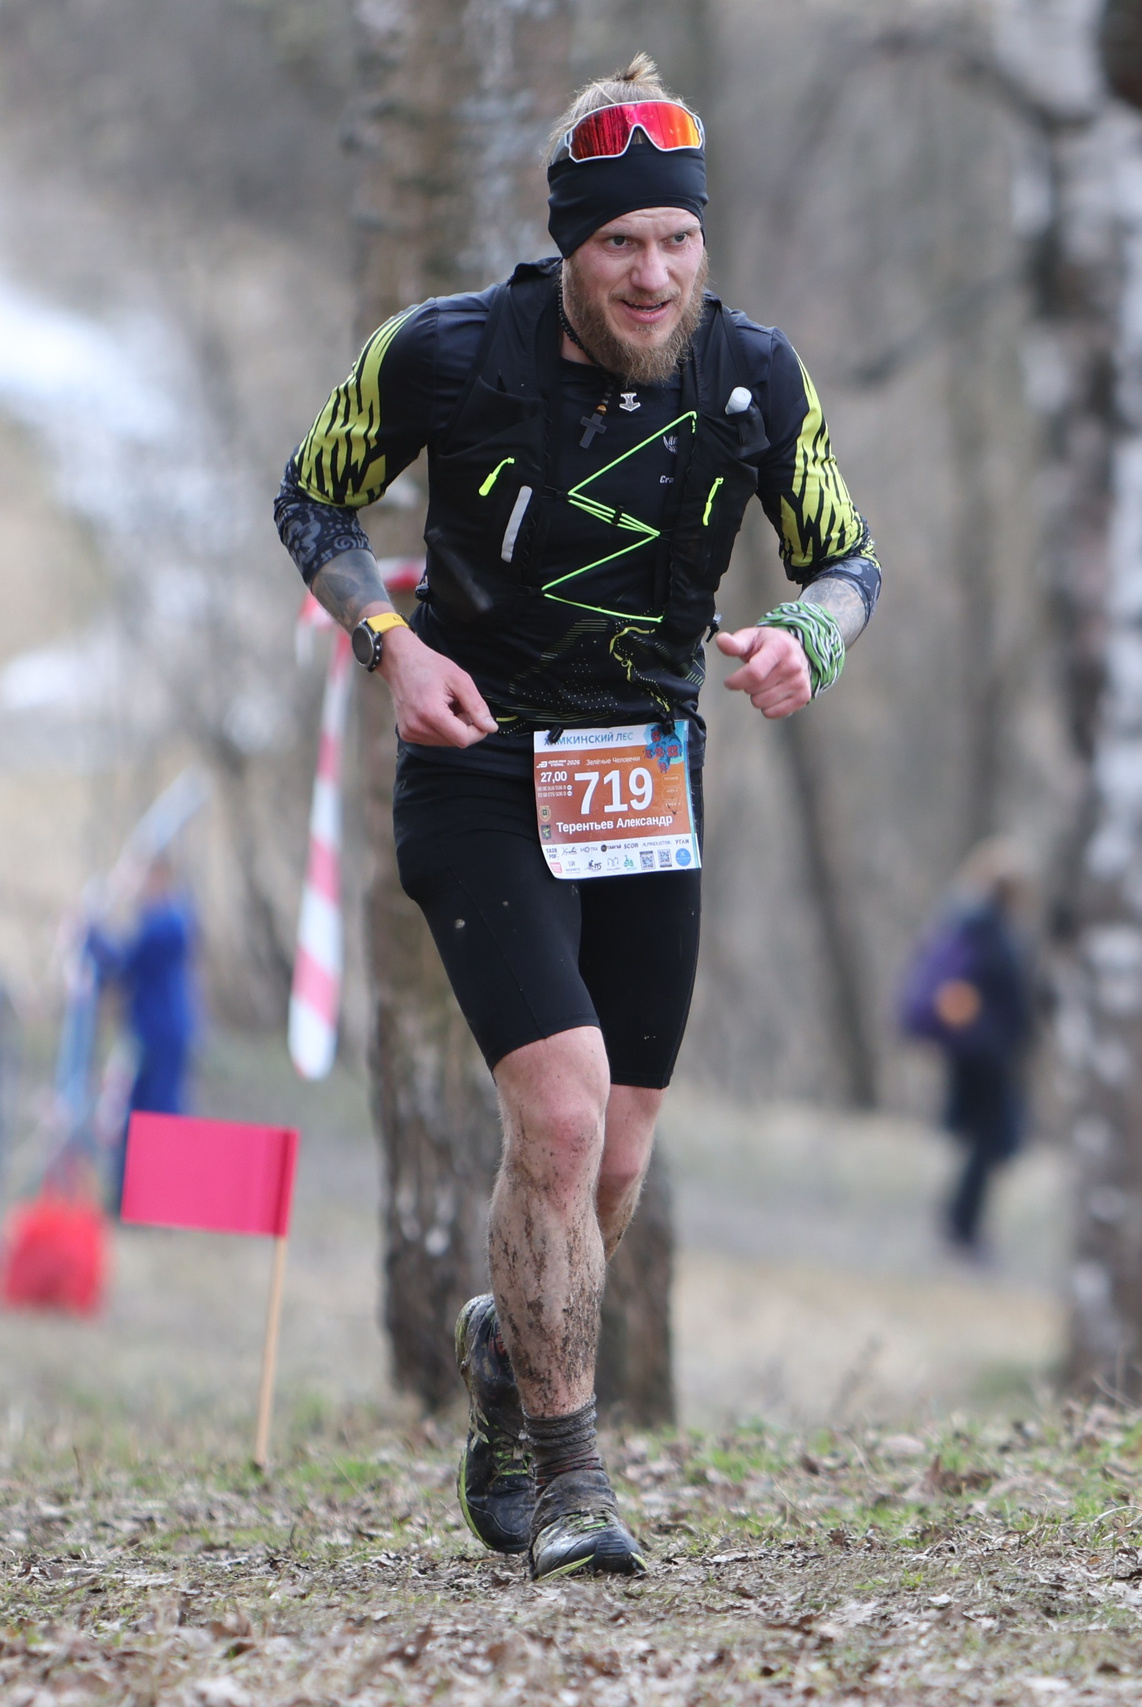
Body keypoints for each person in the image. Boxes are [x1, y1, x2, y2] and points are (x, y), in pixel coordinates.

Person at [273, 56, 881, 1581]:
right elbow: (310, 497)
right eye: (622, 244)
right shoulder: (447, 353)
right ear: (571, 244)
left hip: (646, 781)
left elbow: (850, 557)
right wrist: (387, 646)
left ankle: (507, 1345)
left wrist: (803, 638)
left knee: (606, 1167)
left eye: (677, 239)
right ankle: (569, 1477)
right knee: (549, 1117)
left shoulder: (757, 378)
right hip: (481, 768)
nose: (655, 273)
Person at [901, 842, 1035, 1260]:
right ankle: (961, 1228)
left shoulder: (966, 921)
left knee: (985, 1139)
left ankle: (960, 1224)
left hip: (979, 1048)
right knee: (991, 1138)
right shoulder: (984, 929)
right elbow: (1000, 991)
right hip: (982, 1051)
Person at [86, 859, 196, 1208]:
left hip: (162, 1036)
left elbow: (123, 962)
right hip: (148, 1033)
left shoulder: (169, 924)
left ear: (159, 880)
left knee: (157, 1115)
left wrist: (90, 933)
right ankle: (131, 1197)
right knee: (135, 1111)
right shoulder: (158, 923)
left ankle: (155, 1199)